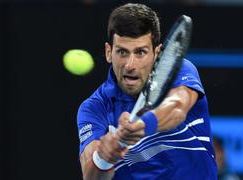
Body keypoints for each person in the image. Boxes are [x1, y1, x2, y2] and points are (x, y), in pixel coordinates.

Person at [77, 3, 217, 179]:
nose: (130, 65)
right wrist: (103, 158)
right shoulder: (94, 108)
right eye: (122, 52)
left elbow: (177, 107)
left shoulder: (177, 71)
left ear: (157, 53)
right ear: (108, 52)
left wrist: (142, 125)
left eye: (140, 52)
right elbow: (90, 175)